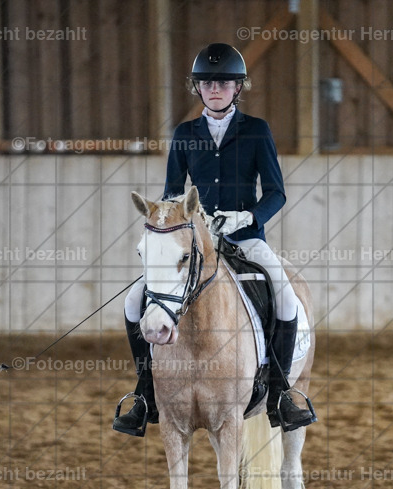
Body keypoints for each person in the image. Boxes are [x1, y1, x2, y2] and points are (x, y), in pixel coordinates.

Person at [113, 43, 316, 436]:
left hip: (246, 240)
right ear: (198, 89)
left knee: (287, 299)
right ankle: (144, 395)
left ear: (238, 88)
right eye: (207, 83)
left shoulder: (256, 131)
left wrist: (248, 215)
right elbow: (173, 191)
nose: (215, 89)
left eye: (224, 83)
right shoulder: (185, 134)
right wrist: (178, 220)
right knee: (134, 300)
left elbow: (276, 192)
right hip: (198, 244)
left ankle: (279, 392)